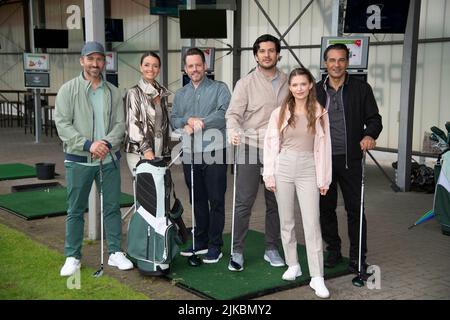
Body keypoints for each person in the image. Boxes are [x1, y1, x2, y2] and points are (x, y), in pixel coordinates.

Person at [55, 41, 133, 276]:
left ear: (104, 62)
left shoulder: (113, 91)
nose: (95, 64)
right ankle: (72, 256)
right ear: (82, 61)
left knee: (111, 207)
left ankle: (114, 253)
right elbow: (62, 124)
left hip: (108, 159)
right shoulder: (68, 90)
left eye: (99, 59)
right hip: (78, 160)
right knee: (75, 209)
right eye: (90, 59)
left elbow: (121, 124)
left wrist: (106, 143)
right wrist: (89, 145)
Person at [263, 67, 332, 298]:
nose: (299, 89)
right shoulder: (279, 113)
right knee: (286, 220)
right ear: (289, 88)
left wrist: (324, 178)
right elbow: (271, 145)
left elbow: (325, 148)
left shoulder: (320, 112)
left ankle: (317, 276)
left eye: (303, 84)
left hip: (309, 168)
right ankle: (293, 264)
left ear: (310, 85)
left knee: (312, 223)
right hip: (284, 166)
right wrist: (269, 174)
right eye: (295, 85)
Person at [316, 43, 382, 277]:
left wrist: (368, 135)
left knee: (355, 210)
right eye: (332, 60)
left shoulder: (361, 89)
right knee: (326, 209)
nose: (336, 64)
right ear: (325, 63)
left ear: (348, 62)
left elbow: (375, 119)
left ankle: (357, 257)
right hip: (323, 161)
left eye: (341, 60)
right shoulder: (316, 91)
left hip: (351, 159)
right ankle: (333, 250)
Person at [226, 34, 288, 271]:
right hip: (250, 146)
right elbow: (233, 114)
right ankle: (237, 251)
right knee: (244, 202)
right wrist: (233, 130)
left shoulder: (287, 81)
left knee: (276, 203)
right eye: (262, 51)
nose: (267, 54)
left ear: (277, 54)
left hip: (279, 150)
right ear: (255, 55)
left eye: (271, 50)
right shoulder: (245, 83)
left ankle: (271, 248)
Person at [170, 47, 231, 263]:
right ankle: (201, 241)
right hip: (190, 153)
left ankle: (215, 245)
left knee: (216, 199)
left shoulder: (219, 89)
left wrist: (200, 122)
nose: (195, 69)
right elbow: (174, 118)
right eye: (190, 66)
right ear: (185, 69)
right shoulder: (181, 94)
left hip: (215, 151)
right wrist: (187, 122)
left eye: (198, 65)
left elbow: (224, 114)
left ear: (205, 66)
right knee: (197, 199)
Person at [124, 51, 171, 173]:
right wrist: (146, 149)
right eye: (147, 65)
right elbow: (132, 124)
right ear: (140, 67)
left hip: (159, 148)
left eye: (155, 66)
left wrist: (165, 151)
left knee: (160, 190)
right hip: (140, 151)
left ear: (159, 69)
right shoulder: (133, 92)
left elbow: (163, 125)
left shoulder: (162, 93)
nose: (151, 69)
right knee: (144, 190)